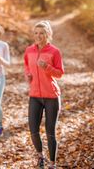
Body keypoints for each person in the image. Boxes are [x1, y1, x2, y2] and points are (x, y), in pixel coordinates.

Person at [24, 21, 64, 169]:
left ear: (48, 34)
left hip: (51, 96)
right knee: (33, 130)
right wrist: (28, 75)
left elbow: (59, 73)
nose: (38, 36)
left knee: (50, 132)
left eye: (42, 33)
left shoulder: (54, 51)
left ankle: (52, 164)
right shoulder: (29, 50)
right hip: (34, 95)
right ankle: (40, 156)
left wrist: (47, 67)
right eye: (36, 33)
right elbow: (27, 66)